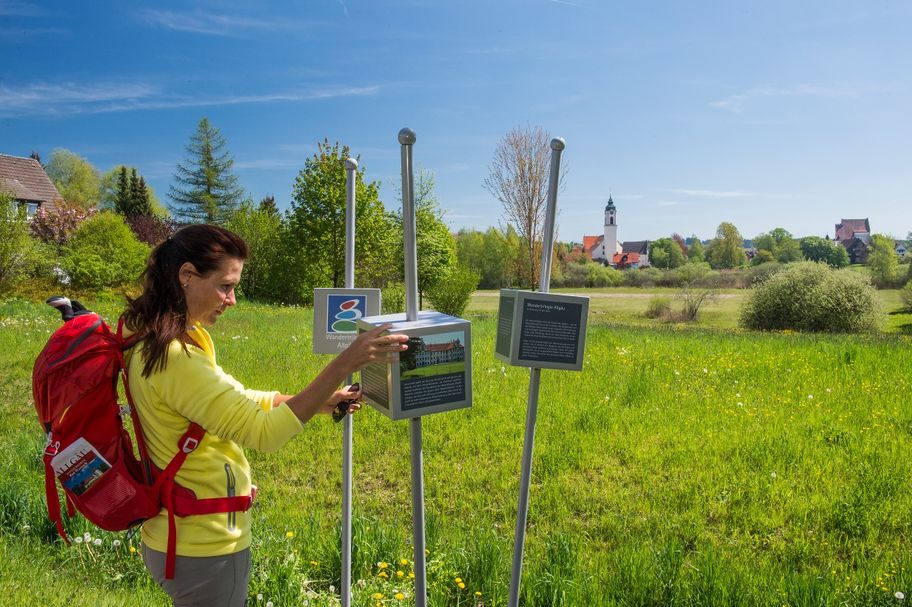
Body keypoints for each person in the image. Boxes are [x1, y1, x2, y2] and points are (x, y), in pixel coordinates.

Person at [122, 224, 407, 606]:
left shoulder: (166, 337)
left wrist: (320, 400)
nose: (233, 299)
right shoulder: (174, 358)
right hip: (204, 545)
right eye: (226, 286)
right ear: (187, 276)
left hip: (180, 534)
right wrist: (344, 363)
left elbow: (240, 400)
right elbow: (265, 434)